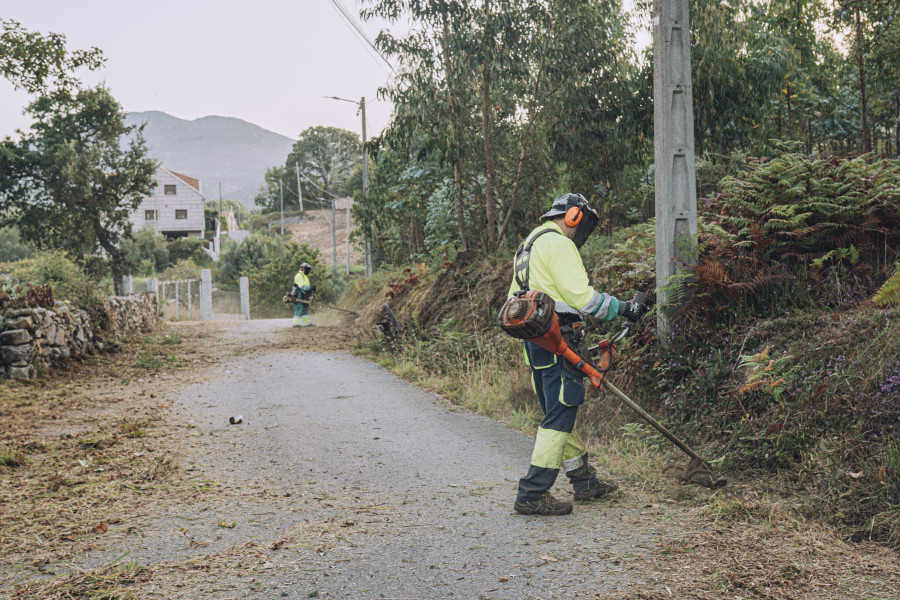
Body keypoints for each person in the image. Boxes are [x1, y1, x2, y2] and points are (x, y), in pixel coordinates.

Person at [508, 193, 647, 516]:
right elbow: (582, 298)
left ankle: (584, 481)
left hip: (535, 341)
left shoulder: (530, 242)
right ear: (573, 217)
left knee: (558, 412)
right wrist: (625, 308)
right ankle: (532, 492)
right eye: (583, 224)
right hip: (559, 337)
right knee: (561, 413)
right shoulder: (559, 243)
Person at [291, 262, 316, 327]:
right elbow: (301, 286)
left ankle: (306, 323)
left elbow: (306, 286)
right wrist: (310, 288)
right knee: (299, 308)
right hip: (298, 295)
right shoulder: (299, 275)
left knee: (305, 308)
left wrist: (311, 290)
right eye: (307, 270)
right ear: (303, 269)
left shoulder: (305, 276)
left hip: (304, 295)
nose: (308, 271)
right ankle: (295, 324)